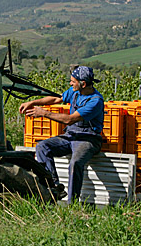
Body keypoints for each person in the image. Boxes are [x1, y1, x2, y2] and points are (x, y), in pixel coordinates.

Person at [19, 66, 104, 203]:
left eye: (73, 81)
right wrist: (32, 102)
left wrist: (44, 113)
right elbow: (55, 99)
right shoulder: (75, 92)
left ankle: (73, 202)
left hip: (88, 139)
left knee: (75, 163)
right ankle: (53, 186)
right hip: (71, 136)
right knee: (42, 146)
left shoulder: (95, 101)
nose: (70, 84)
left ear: (83, 84)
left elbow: (70, 119)